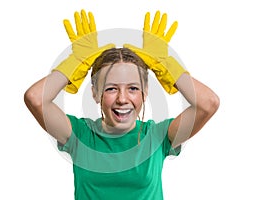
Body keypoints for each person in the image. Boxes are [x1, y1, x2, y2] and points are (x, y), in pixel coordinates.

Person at [24, 10, 220, 200]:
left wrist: (165, 64)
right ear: (95, 93)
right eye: (111, 89)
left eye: (133, 88)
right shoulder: (80, 135)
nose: (122, 99)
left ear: (145, 93)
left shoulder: (157, 137)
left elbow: (207, 104)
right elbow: (35, 98)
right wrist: (76, 62)